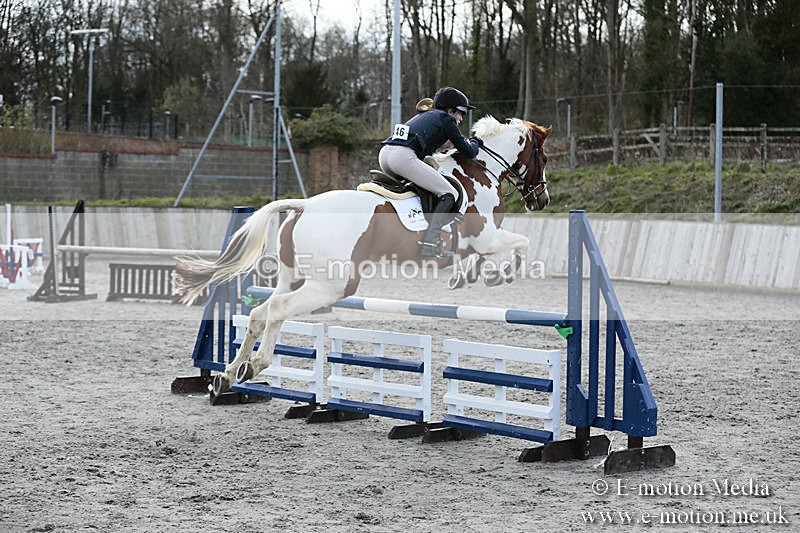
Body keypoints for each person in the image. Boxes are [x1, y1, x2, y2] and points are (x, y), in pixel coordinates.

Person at [379, 87, 483, 257]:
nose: (461, 119)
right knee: (449, 192)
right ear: (451, 111)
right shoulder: (446, 119)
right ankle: (430, 242)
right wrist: (475, 141)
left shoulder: (424, 116)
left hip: (385, 155)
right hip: (402, 157)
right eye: (460, 113)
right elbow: (469, 152)